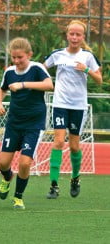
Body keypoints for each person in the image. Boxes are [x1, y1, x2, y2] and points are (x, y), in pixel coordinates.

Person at [44, 20, 102, 199]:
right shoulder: (58, 55)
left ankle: (75, 178)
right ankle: (54, 185)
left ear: (83, 37)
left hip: (78, 106)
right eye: (72, 34)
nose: (75, 37)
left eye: (78, 34)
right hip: (60, 104)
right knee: (58, 142)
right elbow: (41, 69)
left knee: (75, 146)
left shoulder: (88, 57)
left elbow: (99, 79)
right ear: (67, 35)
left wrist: (86, 70)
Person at [0, 37, 53, 209]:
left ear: (29, 55)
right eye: (13, 57)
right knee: (3, 164)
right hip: (14, 123)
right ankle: (7, 178)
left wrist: (23, 84)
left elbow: (49, 84)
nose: (16, 61)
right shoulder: (10, 72)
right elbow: (2, 89)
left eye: (20, 57)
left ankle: (18, 197)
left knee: (25, 162)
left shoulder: (37, 68)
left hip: (33, 124)